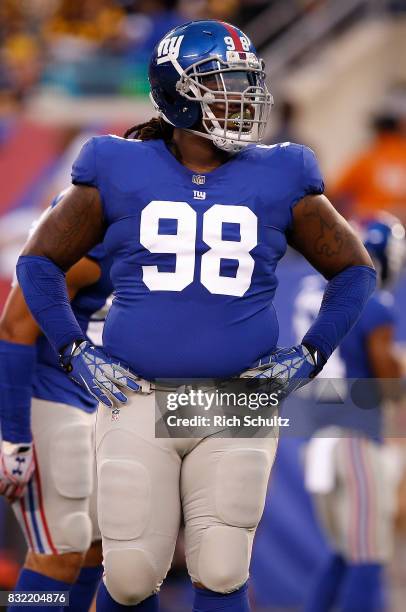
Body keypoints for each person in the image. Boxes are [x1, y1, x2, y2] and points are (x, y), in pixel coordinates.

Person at [15, 19, 376, 612]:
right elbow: (38, 264)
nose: (243, 98)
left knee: (222, 565)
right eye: (226, 83)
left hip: (236, 395)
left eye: (247, 83)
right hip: (137, 389)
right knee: (129, 574)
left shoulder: (283, 170)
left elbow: (355, 270)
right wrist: (74, 348)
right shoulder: (115, 164)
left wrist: (309, 354)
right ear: (179, 92)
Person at [0, 191, 115, 611]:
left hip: (110, 405)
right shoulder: (88, 231)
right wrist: (12, 437)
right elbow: (15, 328)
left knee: (98, 551)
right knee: (59, 548)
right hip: (52, 398)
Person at [297, 213, 405, 612]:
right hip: (356, 439)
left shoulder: (311, 291)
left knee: (346, 550)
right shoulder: (374, 303)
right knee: (369, 553)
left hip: (318, 439)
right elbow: (386, 379)